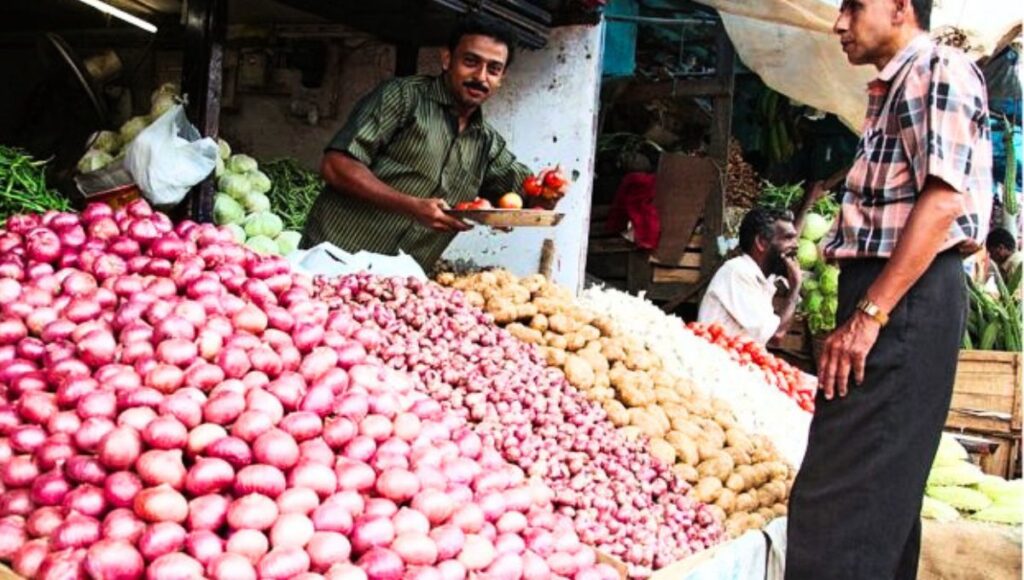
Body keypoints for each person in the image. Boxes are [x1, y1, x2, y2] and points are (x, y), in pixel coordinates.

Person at [786, 0, 992, 578]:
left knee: (835, 504)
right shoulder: (897, 87)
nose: (839, 23)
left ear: (901, 6)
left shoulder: (938, 70)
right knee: (877, 500)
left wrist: (870, 314)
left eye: (854, 5)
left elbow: (945, 199)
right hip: (897, 294)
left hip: (906, 297)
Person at [301, 16, 545, 269]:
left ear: (501, 77)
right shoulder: (404, 98)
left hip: (398, 283)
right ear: (447, 59)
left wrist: (550, 192)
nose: (481, 77)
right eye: (471, 62)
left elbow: (529, 198)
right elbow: (336, 166)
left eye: (493, 69)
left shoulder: (487, 142)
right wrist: (411, 206)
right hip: (334, 260)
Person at [697, 206, 802, 345]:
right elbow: (776, 335)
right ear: (761, 242)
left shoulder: (763, 279)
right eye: (788, 238)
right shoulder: (737, 271)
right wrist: (795, 288)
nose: (796, 245)